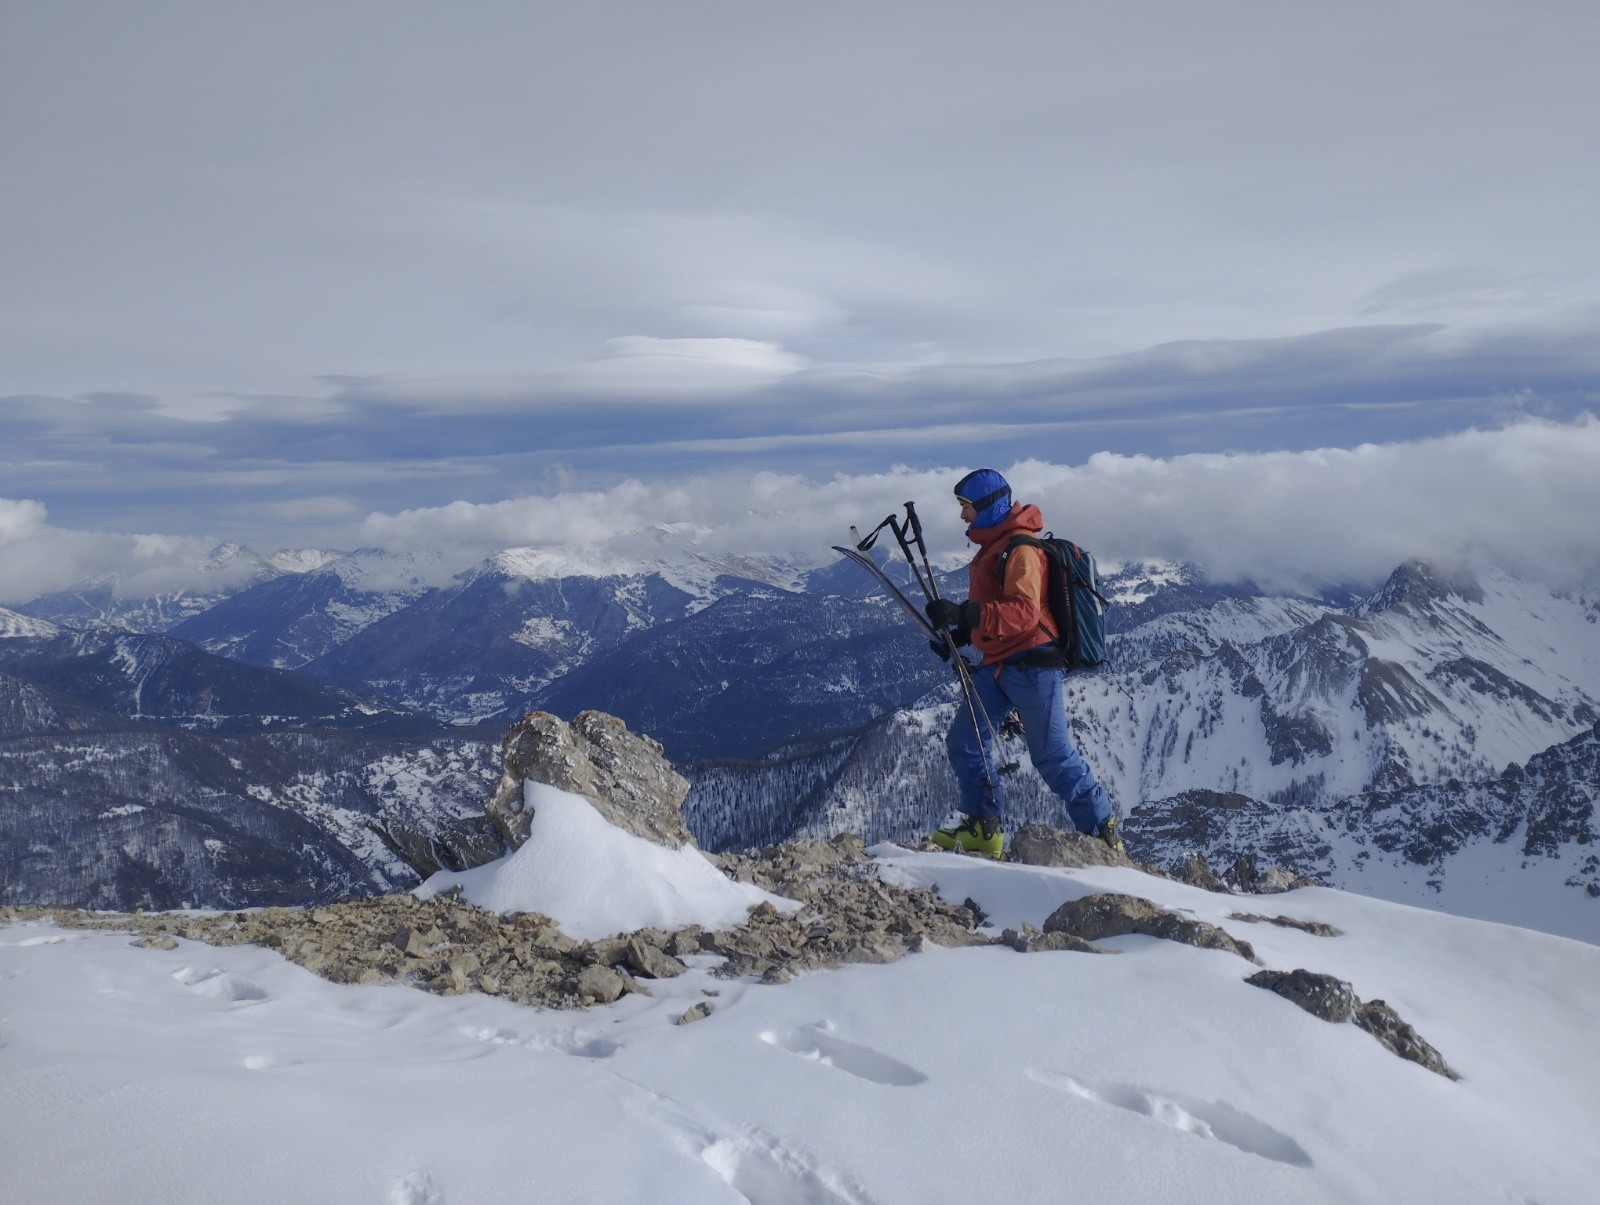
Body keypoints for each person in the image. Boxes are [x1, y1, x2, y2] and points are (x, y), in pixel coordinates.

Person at [923, 468, 1124, 859]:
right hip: (999, 663)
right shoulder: (994, 547)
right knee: (965, 741)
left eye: (966, 508)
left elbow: (1024, 614)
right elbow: (998, 615)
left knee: (1051, 755)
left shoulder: (1021, 550)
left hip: (1033, 666)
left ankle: (1102, 829)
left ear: (987, 507)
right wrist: (961, 635)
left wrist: (968, 616)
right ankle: (984, 827)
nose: (963, 517)